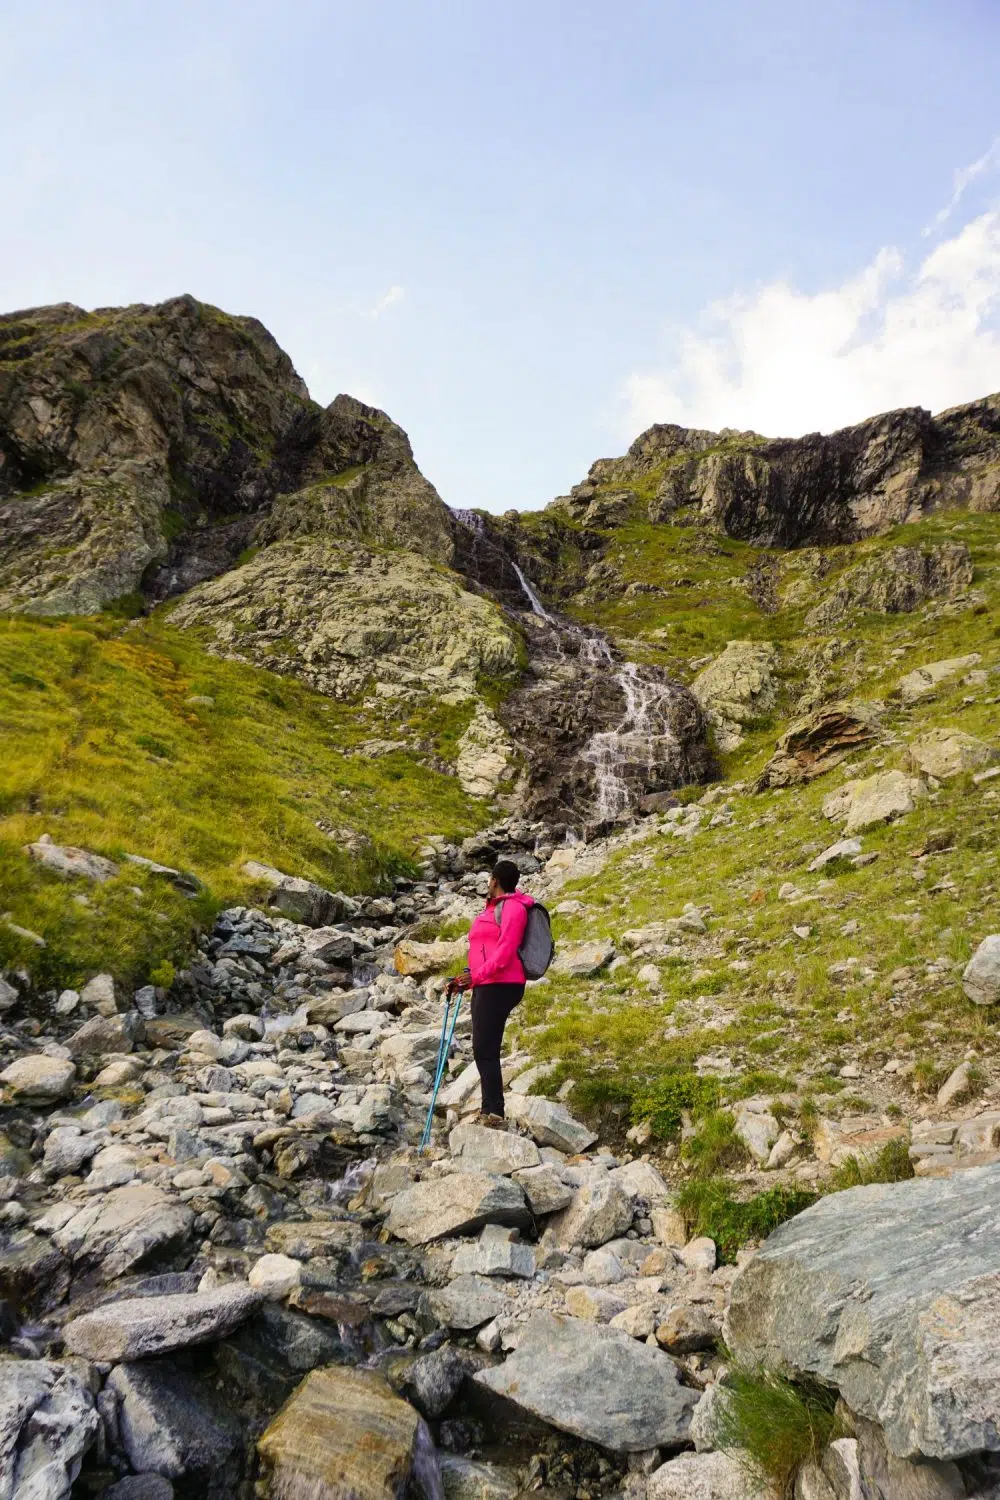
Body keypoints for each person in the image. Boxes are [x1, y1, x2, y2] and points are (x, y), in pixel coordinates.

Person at [454, 859, 534, 1127]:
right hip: (486, 982)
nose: (488, 882)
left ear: (495, 881)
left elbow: (505, 951)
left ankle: (494, 1110)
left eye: (489, 878)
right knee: (483, 1047)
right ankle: (489, 1107)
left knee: (485, 1048)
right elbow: (484, 947)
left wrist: (476, 976)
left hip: (501, 983)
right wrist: (464, 977)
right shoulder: (494, 908)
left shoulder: (512, 908)